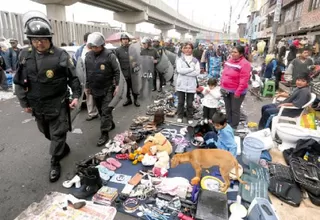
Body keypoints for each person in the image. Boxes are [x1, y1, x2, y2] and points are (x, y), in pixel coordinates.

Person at [14, 11, 81, 182]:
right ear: (30, 40)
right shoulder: (24, 55)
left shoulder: (61, 54)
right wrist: (24, 102)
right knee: (46, 132)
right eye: (35, 40)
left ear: (50, 39)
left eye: (43, 39)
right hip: (37, 104)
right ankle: (61, 147)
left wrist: (76, 95)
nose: (39, 43)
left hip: (57, 102)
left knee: (58, 133)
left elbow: (73, 77)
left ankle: (55, 161)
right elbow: (19, 81)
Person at [85, 32, 120, 147]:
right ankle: (110, 122)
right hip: (95, 88)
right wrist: (87, 86)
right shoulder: (88, 56)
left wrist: (117, 85)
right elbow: (87, 73)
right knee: (101, 111)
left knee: (105, 111)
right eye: (92, 46)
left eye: (96, 46)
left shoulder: (110, 55)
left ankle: (104, 133)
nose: (94, 48)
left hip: (107, 88)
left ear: (102, 45)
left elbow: (116, 71)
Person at [220, 45, 251, 129]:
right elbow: (224, 74)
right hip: (226, 90)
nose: (232, 54)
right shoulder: (229, 60)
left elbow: (244, 80)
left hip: (237, 91)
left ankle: (234, 126)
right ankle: (228, 123)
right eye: (232, 52)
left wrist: (238, 91)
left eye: (235, 52)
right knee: (228, 108)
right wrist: (221, 85)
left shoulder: (245, 64)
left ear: (241, 54)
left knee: (235, 110)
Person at [74, 32, 99, 121]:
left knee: (99, 95)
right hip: (85, 77)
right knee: (88, 95)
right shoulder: (80, 51)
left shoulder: (97, 49)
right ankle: (92, 113)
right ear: (85, 41)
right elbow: (76, 63)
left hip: (97, 76)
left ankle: (103, 112)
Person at [176, 42, 200, 124]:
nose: (187, 49)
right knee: (180, 102)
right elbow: (179, 70)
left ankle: (190, 117)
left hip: (191, 85)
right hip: (181, 84)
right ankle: (180, 116)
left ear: (192, 50)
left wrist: (185, 72)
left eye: (189, 48)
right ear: (183, 49)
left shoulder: (195, 61)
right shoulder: (180, 59)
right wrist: (191, 69)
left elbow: (197, 72)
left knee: (190, 103)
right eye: (186, 48)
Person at [116, 33, 140, 107]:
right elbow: (116, 62)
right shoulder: (118, 50)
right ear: (121, 41)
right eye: (123, 39)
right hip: (124, 73)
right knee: (126, 88)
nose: (125, 41)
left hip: (132, 72)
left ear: (128, 40)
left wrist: (135, 65)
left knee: (134, 87)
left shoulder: (132, 49)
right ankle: (128, 99)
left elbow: (137, 59)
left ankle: (135, 100)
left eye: (126, 39)